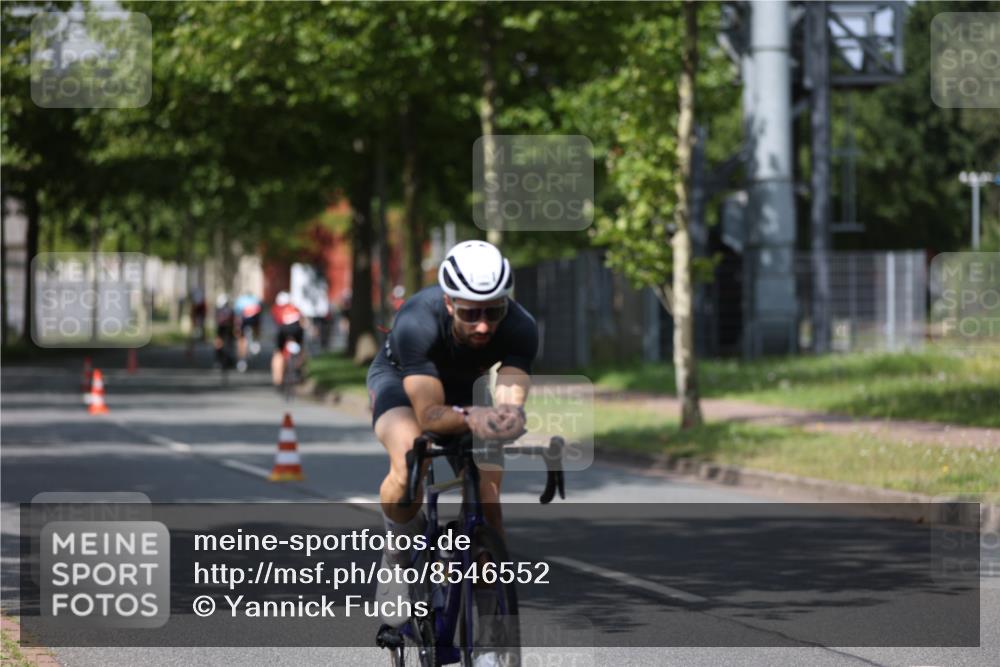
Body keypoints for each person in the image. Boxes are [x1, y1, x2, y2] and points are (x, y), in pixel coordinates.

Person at [366, 240, 538, 631]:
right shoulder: (417, 320)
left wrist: (508, 415)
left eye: (494, 311)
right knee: (409, 457)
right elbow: (430, 415)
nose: (484, 325)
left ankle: (491, 632)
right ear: (448, 303)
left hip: (465, 388)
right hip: (402, 383)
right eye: (470, 313)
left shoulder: (521, 326)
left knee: (488, 499)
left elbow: (510, 396)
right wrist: (471, 417)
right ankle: (397, 555)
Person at [271, 291, 305, 387]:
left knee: (278, 353)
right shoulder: (295, 308)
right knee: (301, 349)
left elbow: (276, 323)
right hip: (297, 330)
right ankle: (298, 367)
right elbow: (302, 321)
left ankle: (277, 379)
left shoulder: (276, 309)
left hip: (283, 330)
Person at [233, 292, 263, 372]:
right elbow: (259, 316)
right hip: (251, 321)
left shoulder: (240, 300)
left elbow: (237, 315)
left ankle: (241, 360)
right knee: (243, 339)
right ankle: (255, 343)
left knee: (241, 340)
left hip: (246, 321)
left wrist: (237, 327)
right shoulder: (255, 300)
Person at [213, 294, 236, 370]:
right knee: (221, 343)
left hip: (227, 329)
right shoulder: (226, 309)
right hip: (223, 329)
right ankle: (221, 359)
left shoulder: (227, 310)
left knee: (227, 344)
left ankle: (224, 359)